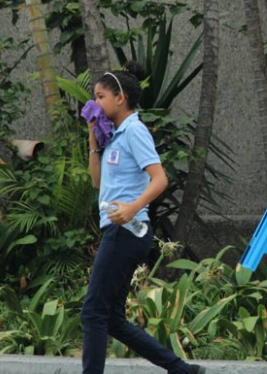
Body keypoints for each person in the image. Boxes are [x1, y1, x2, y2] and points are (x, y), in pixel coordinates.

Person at [82, 62, 206, 374]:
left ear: (120, 98)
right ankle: (181, 370)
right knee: (110, 318)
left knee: (93, 312)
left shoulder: (135, 131)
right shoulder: (115, 135)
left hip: (126, 230)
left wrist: (132, 207)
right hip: (118, 230)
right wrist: (93, 138)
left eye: (100, 97)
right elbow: (97, 183)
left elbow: (159, 179)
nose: (94, 104)